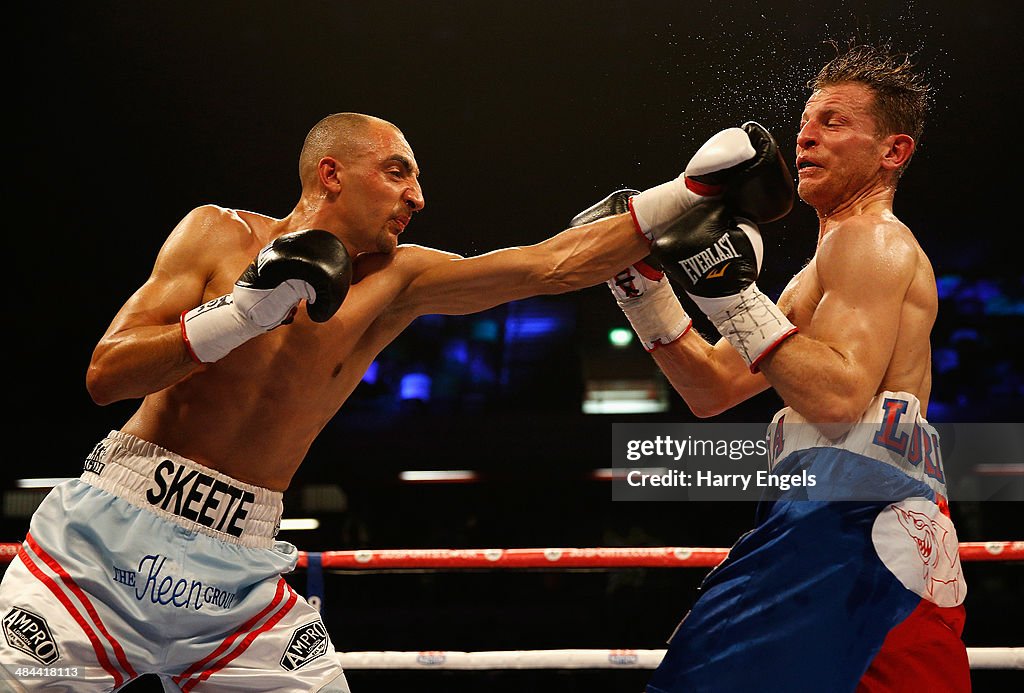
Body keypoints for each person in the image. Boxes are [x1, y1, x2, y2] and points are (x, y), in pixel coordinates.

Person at [0, 112, 787, 692]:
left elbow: (549, 265)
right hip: (99, 548)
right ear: (331, 174)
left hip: (236, 576)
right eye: (399, 171)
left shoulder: (399, 281)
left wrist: (687, 194)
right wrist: (238, 314)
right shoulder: (215, 234)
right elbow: (107, 373)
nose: (420, 193)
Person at [590, 46, 969, 692]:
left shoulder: (871, 238)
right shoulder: (815, 272)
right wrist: (642, 289)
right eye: (804, 122)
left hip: (849, 520)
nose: (806, 135)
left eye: (833, 121)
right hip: (872, 530)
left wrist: (731, 293)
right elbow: (709, 386)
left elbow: (840, 398)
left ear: (893, 151)